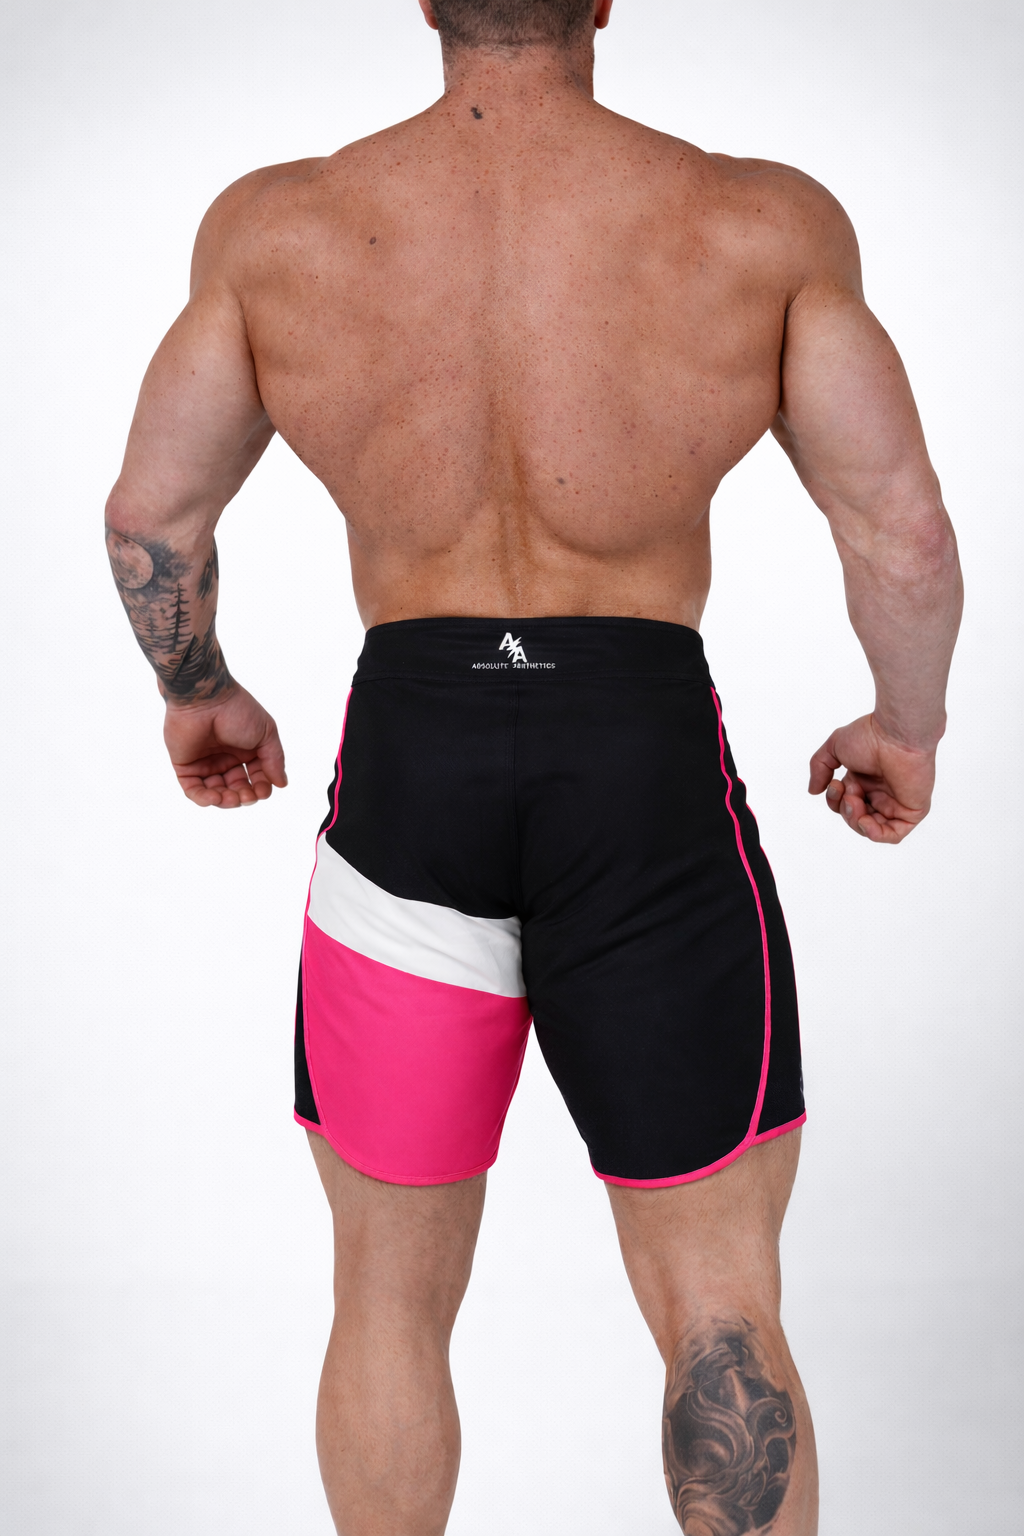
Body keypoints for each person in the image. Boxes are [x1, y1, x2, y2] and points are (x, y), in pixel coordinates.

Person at [105, 2, 962, 1531]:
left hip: (412, 771)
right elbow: (897, 526)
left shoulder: (279, 230)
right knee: (720, 1297)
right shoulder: (757, 223)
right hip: (641, 772)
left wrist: (200, 688)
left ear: (427, 0)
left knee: (384, 1296)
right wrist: (906, 725)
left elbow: (151, 519)